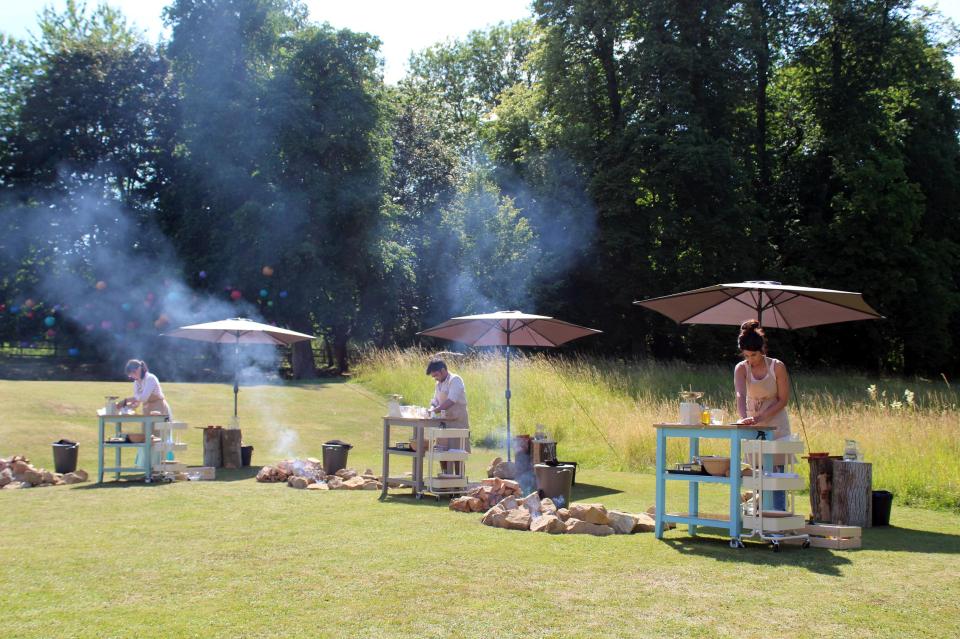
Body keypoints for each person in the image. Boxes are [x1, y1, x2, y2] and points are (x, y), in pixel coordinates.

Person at [734, 320, 790, 510]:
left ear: (762, 350)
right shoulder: (741, 368)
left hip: (775, 422)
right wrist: (743, 417)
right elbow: (740, 394)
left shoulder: (777, 366)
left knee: (776, 476)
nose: (751, 359)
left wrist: (762, 417)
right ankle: (760, 519)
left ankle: (778, 518)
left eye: (754, 355)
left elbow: (783, 399)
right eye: (747, 355)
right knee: (757, 475)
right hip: (753, 423)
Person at [426, 358, 470, 471]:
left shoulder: (455, 380)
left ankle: (458, 480)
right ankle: (445, 477)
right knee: (442, 451)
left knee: (457, 452)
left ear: (443, 370)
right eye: (433, 377)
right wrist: (431, 408)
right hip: (444, 421)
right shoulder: (438, 384)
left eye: (436, 375)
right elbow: (435, 400)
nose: (435, 378)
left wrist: (435, 410)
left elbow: (451, 400)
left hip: (458, 421)